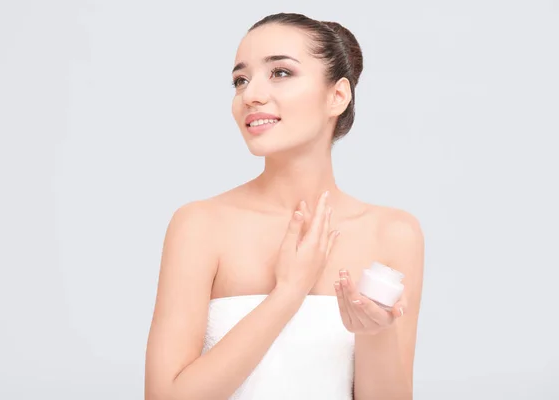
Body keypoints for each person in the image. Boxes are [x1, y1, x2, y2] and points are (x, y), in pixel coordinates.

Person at [144, 12, 425, 400]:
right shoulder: (199, 225)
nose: (250, 95)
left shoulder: (393, 233)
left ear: (337, 96)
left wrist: (374, 333)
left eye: (280, 73)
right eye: (240, 80)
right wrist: (287, 294)